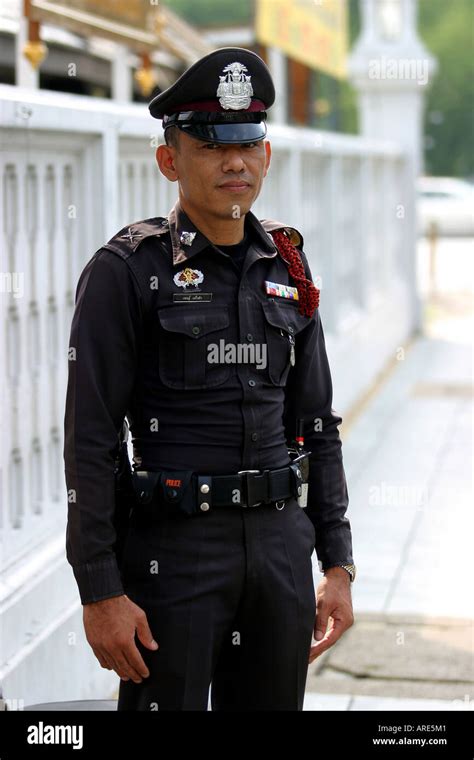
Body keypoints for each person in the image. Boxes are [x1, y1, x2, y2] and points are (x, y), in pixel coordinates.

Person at [63, 47, 355, 712]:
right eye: (213, 146)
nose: (235, 163)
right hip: (176, 555)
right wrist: (101, 590)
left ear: (267, 153)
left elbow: (318, 424)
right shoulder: (128, 270)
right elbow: (90, 442)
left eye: (248, 145)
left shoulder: (289, 265)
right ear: (171, 161)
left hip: (282, 550)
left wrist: (336, 564)